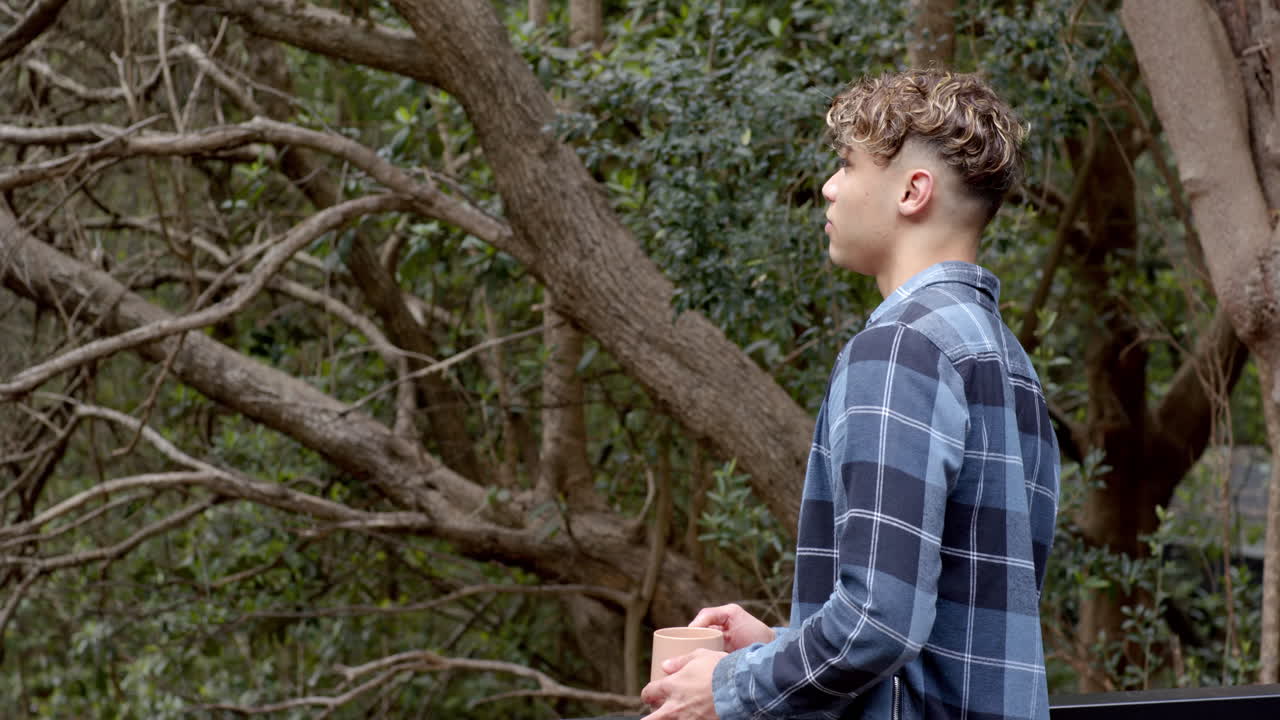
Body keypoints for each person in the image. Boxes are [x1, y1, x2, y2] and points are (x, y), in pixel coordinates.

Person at [640, 68, 1061, 720]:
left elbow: (879, 620)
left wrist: (729, 687)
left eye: (846, 165)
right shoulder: (1008, 361)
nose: (830, 189)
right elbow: (948, 636)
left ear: (912, 191)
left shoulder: (901, 348)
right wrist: (780, 646)